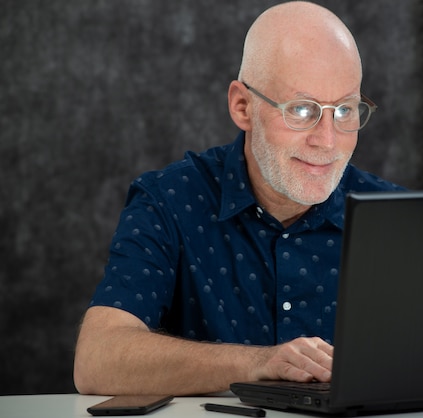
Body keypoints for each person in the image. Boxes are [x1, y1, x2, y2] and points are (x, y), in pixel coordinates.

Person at [73, 1, 404, 396]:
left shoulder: (394, 218)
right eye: (301, 110)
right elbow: (97, 359)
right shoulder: (169, 201)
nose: (327, 141)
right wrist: (259, 363)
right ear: (242, 106)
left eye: (345, 110)